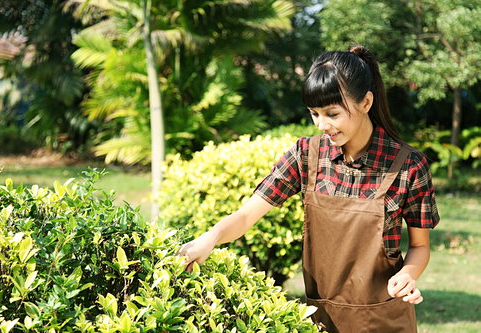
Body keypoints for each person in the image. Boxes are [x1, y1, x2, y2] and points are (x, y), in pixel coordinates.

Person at [177, 45, 440, 333]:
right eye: (314, 113)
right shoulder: (306, 156)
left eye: (332, 113)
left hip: (385, 320)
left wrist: (407, 275)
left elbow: (419, 247)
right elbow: (245, 217)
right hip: (321, 320)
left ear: (366, 103)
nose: (322, 124)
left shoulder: (408, 166)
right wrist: (211, 238)